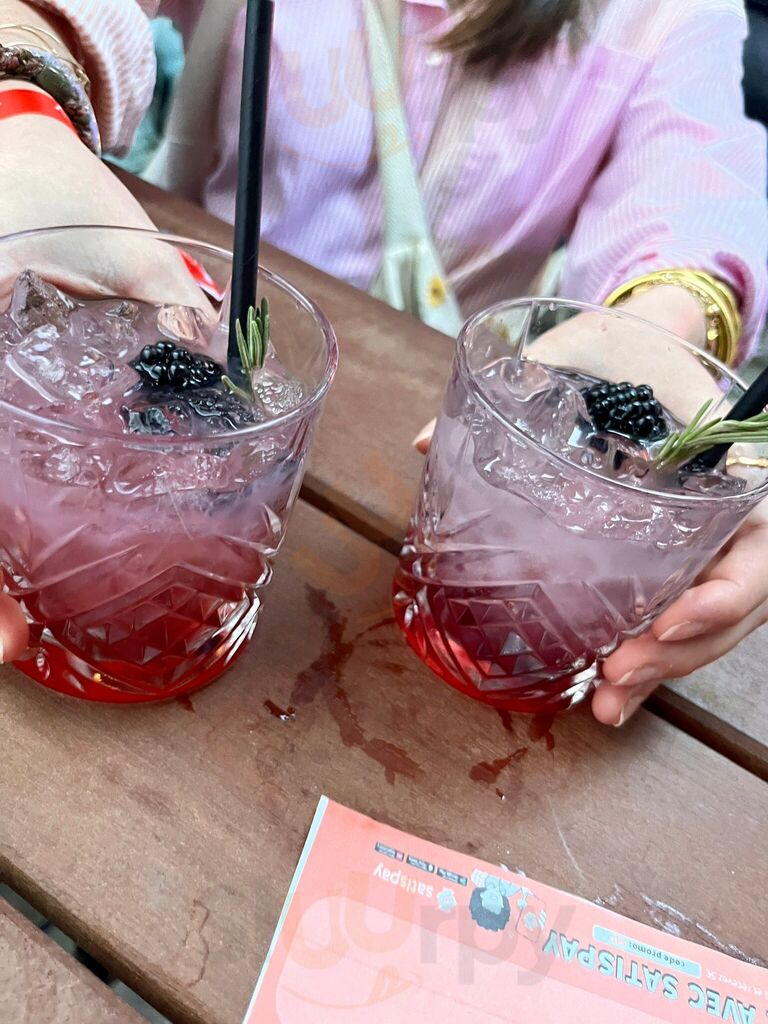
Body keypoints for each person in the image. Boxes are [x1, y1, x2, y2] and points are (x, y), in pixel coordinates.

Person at [0, 0, 766, 727]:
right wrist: (21, 115)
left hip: (383, 411)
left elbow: (698, 174)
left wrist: (663, 323)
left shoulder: (671, 13)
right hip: (196, 318)